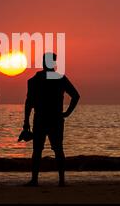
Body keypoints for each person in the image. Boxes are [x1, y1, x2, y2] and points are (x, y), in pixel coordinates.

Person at [22, 52, 80, 187]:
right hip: (54, 118)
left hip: (42, 118)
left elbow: (29, 103)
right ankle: (60, 181)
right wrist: (66, 113)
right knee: (57, 149)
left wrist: (26, 122)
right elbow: (76, 96)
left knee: (38, 150)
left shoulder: (35, 80)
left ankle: (35, 180)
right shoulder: (59, 78)